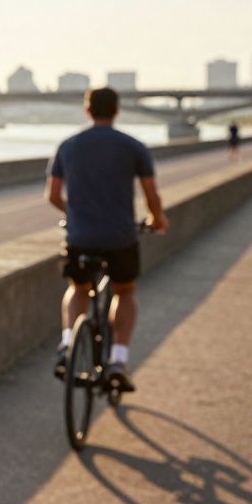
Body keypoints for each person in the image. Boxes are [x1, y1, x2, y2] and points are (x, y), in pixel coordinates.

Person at [47, 87, 168, 393]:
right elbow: (151, 196)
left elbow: (53, 195)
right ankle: (117, 360)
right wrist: (158, 221)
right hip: (120, 237)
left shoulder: (68, 146)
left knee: (78, 287)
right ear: (117, 110)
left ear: (87, 110)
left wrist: (75, 214)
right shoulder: (134, 147)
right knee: (124, 291)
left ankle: (66, 346)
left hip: (80, 236)